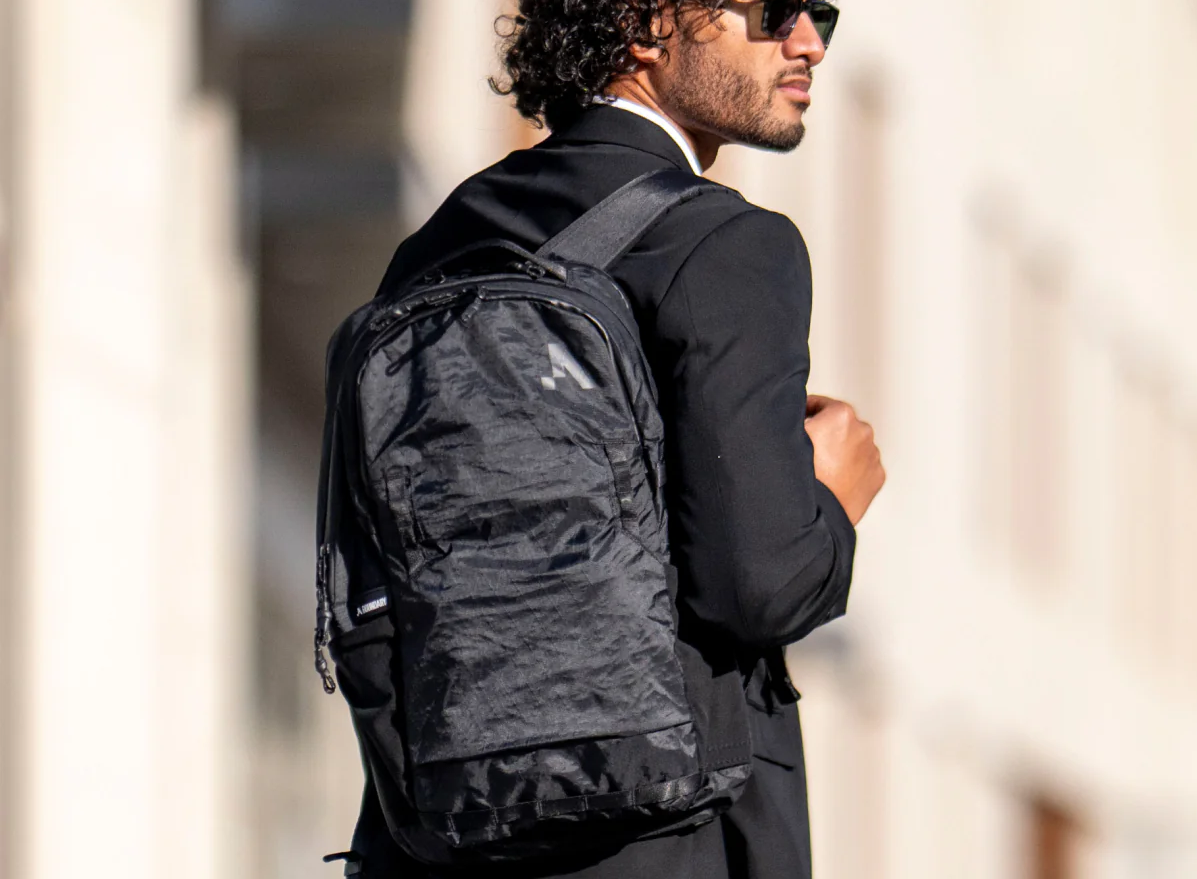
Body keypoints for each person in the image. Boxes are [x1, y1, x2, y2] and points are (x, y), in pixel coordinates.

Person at [350, 1, 885, 876]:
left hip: (446, 823)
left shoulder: (438, 241)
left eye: (819, 15)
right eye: (772, 9)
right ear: (643, 25)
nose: (807, 43)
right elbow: (760, 586)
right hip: (659, 825)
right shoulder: (725, 240)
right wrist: (831, 497)